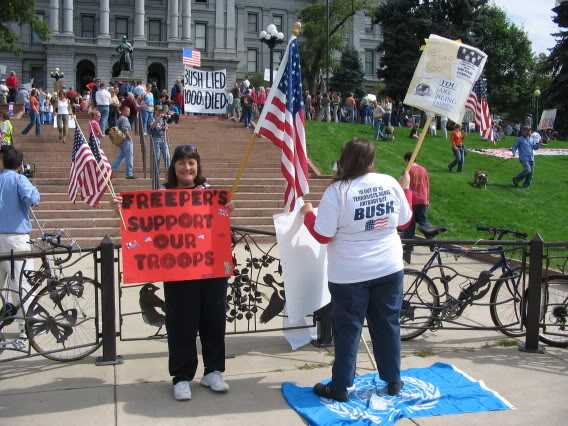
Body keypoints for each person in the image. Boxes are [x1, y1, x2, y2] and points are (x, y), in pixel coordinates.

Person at [111, 145, 234, 401]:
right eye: (181, 162)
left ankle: (214, 371)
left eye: (191, 162)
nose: (187, 167)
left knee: (214, 322)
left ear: (198, 166)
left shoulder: (210, 194)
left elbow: (222, 232)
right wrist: (122, 210)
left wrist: (226, 213)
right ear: (173, 166)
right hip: (179, 271)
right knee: (181, 324)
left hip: (211, 269)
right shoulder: (163, 195)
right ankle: (182, 377)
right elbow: (144, 226)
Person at [299, 138, 412, 402]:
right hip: (388, 267)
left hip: (349, 274)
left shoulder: (337, 191)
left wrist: (307, 214)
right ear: (371, 162)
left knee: (348, 329)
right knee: (387, 324)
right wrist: (405, 190)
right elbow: (405, 221)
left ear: (344, 160)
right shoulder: (389, 183)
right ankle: (393, 379)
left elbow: (323, 234)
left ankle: (340, 385)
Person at [0, 147, 41, 339]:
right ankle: (25, 326)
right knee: (21, 285)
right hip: (15, 238)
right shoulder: (19, 179)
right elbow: (31, 199)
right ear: (20, 165)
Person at [401, 152, 431, 261]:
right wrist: (427, 200)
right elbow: (427, 185)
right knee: (423, 220)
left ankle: (407, 249)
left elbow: (403, 186)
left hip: (412, 200)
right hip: (423, 199)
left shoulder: (407, 171)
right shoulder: (423, 170)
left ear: (407, 160)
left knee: (410, 224)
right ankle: (431, 237)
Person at [110, 106, 136, 179]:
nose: (129, 112)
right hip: (126, 140)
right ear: (123, 111)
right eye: (127, 111)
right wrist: (129, 138)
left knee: (122, 155)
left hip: (120, 140)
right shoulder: (124, 119)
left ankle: (111, 167)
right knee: (129, 156)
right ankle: (129, 173)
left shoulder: (119, 119)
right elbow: (124, 129)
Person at [148, 106, 170, 174]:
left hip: (163, 138)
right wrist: (158, 118)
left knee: (167, 156)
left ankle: (169, 172)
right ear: (155, 111)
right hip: (155, 138)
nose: (160, 112)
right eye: (159, 110)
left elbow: (166, 128)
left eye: (161, 110)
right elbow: (152, 126)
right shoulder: (151, 118)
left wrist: (165, 127)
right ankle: (155, 172)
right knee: (156, 157)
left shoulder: (163, 119)